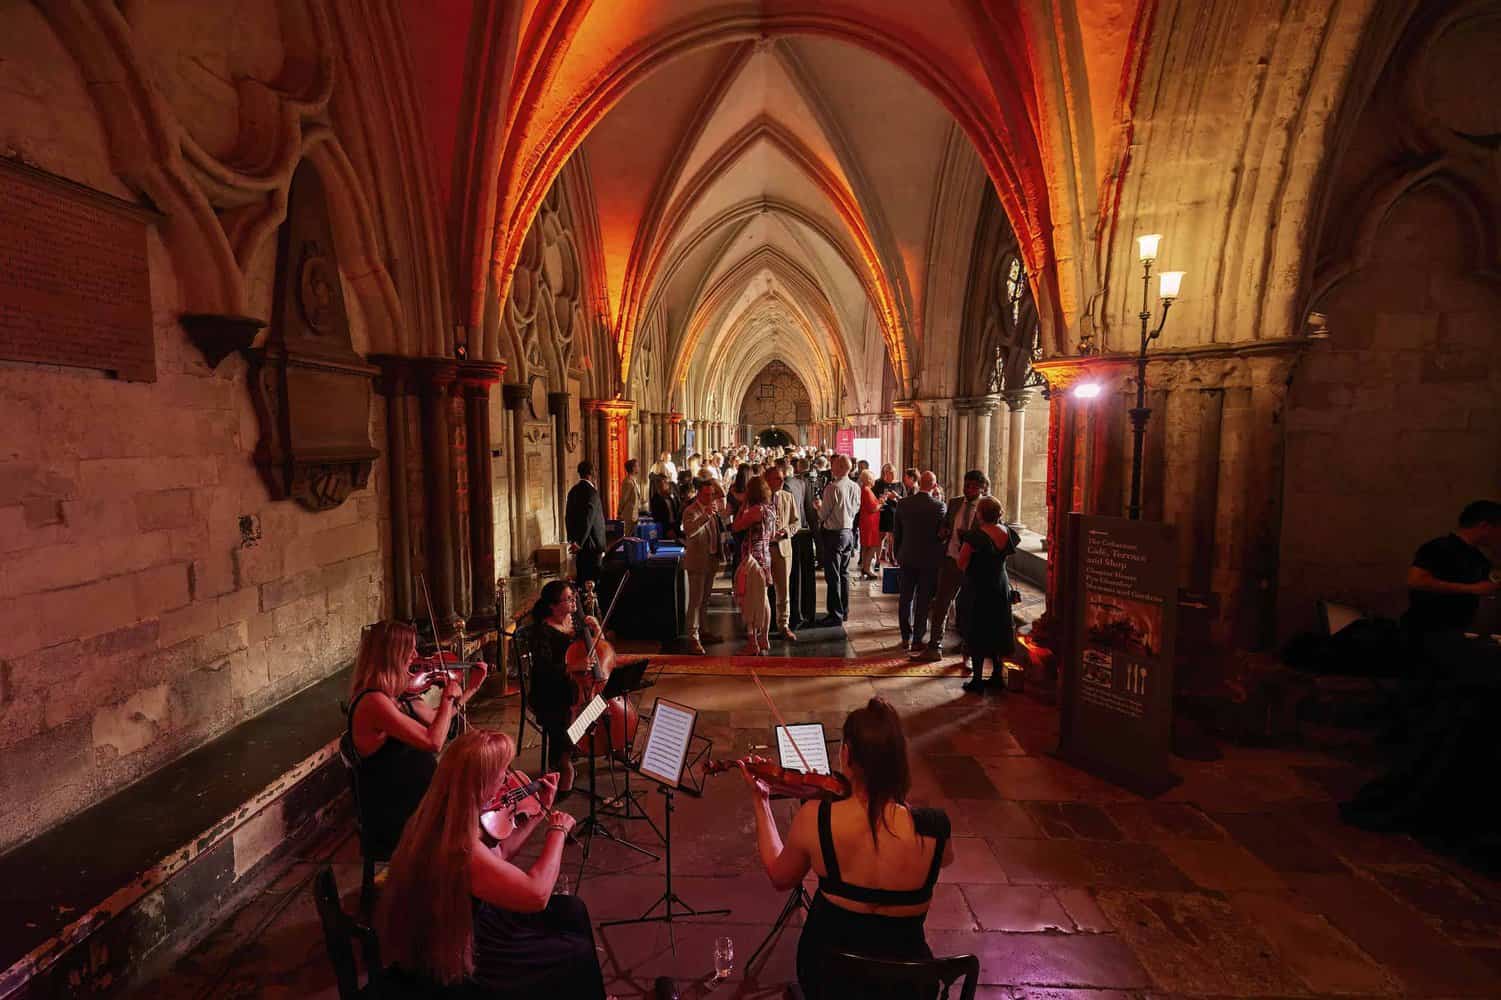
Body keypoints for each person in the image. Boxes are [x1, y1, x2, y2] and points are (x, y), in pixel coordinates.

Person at [735, 698, 953, 1000]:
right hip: (907, 985)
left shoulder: (817, 817)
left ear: (847, 754)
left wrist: (761, 801)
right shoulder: (935, 828)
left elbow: (780, 876)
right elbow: (942, 857)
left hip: (831, 980)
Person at [378, 730, 604, 998]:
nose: (509, 779)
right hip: (460, 948)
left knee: (572, 909)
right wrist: (557, 832)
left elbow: (500, 854)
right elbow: (537, 894)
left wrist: (539, 811)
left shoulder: (442, 815)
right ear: (479, 784)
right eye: (502, 774)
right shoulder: (460, 848)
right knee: (573, 952)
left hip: (465, 920)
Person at [345, 621, 488, 859]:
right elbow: (433, 741)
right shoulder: (373, 702)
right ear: (392, 654)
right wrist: (446, 699)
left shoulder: (399, 695)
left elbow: (436, 721)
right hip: (396, 813)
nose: (416, 655)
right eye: (409, 649)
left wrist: (470, 690)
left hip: (419, 799)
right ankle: (449, 885)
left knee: (480, 799)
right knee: (471, 825)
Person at [523, 580, 600, 791]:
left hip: (577, 685)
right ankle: (564, 759)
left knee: (599, 703)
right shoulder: (542, 632)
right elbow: (543, 669)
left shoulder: (577, 622)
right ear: (553, 606)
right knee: (562, 711)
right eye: (569, 598)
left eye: (573, 596)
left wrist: (596, 631)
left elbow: (594, 652)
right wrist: (572, 666)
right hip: (549, 688)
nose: (574, 600)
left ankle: (596, 745)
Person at [916, 470, 988, 662]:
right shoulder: (955, 502)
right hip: (951, 559)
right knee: (941, 604)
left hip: (973, 564)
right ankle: (934, 646)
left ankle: (969, 651)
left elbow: (992, 533)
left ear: (982, 488)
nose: (968, 490)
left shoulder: (987, 506)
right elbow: (946, 524)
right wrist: (944, 531)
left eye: (973, 487)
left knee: (970, 608)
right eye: (966, 485)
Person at [956, 496, 1020, 694]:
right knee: (996, 626)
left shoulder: (976, 536)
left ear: (980, 513)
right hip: (1000, 584)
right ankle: (997, 676)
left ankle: (977, 680)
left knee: (977, 628)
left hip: (979, 586)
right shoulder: (1007, 532)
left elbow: (962, 562)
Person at [892, 472, 945, 653]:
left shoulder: (904, 504)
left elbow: (897, 532)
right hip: (929, 560)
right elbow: (942, 535)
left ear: (919, 483)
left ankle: (905, 637)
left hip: (907, 557)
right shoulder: (939, 506)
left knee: (905, 599)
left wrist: (896, 554)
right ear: (934, 485)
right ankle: (917, 639)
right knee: (923, 600)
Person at [732, 475, 779, 655]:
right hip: (766, 557)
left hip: (752, 558)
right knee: (764, 599)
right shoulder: (770, 510)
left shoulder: (755, 511)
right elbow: (773, 534)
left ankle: (752, 641)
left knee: (750, 600)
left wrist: (743, 506)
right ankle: (764, 638)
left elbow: (736, 526)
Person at [681, 480, 728, 654]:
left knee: (705, 599)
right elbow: (689, 531)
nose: (710, 498)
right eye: (707, 494)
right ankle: (693, 636)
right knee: (695, 600)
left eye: (712, 494)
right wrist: (705, 516)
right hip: (697, 560)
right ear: (699, 493)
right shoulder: (691, 510)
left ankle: (704, 630)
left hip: (711, 559)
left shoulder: (713, 509)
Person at [817, 454, 861, 625]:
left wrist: (818, 507)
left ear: (842, 467)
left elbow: (823, 514)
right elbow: (856, 508)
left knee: (833, 576)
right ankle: (844, 610)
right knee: (843, 574)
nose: (831, 466)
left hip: (834, 535)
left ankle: (835, 614)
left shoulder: (833, 487)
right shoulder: (855, 486)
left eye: (834, 464)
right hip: (848, 533)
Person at [766, 464, 801, 641]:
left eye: (782, 478)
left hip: (782, 548)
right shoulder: (761, 498)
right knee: (761, 589)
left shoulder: (788, 497)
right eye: (777, 479)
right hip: (763, 549)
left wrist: (786, 531)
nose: (781, 482)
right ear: (768, 480)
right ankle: (760, 625)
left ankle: (784, 624)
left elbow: (796, 521)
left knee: (783, 590)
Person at [786, 458, 820, 630]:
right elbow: (810, 513)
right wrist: (817, 539)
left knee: (794, 577)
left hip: (793, 536)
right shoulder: (802, 483)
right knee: (804, 576)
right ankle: (807, 612)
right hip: (804, 535)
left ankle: (795, 615)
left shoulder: (789, 485)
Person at [564, 461, 607, 587]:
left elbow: (568, 517)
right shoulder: (591, 492)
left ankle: (582, 603)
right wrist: (579, 542)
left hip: (580, 544)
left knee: (582, 576)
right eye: (594, 470)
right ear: (592, 473)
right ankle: (591, 605)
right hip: (592, 544)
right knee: (593, 579)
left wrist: (573, 540)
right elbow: (588, 520)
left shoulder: (573, 490)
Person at [856, 470, 882, 579]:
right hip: (869, 522)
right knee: (872, 545)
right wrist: (881, 502)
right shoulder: (867, 491)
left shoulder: (865, 490)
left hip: (867, 521)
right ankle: (867, 568)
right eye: (873, 477)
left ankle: (865, 567)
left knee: (866, 546)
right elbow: (872, 508)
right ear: (869, 480)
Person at [650, 471, 683, 539]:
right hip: (665, 528)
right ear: (658, 485)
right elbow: (657, 517)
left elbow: (678, 508)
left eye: (666, 482)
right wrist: (667, 529)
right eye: (663, 483)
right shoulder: (656, 499)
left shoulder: (673, 493)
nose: (666, 485)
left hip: (676, 525)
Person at [618, 458, 645, 530]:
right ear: (633, 468)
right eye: (637, 466)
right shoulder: (628, 482)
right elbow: (624, 498)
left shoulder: (634, 480)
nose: (639, 467)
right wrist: (619, 511)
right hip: (629, 515)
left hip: (634, 515)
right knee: (628, 537)